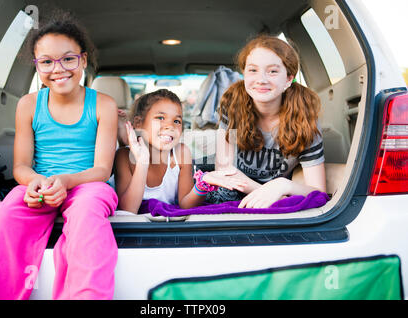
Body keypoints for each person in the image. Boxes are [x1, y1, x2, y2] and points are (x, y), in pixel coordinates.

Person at [0, 13, 119, 300]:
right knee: (4, 218)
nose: (58, 69)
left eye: (68, 59)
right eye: (47, 61)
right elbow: (21, 166)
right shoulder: (28, 105)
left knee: (87, 215)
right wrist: (37, 182)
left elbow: (102, 169)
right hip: (39, 184)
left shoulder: (103, 104)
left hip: (87, 184)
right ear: (37, 66)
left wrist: (65, 180)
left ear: (83, 61)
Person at [208, 34, 326, 208]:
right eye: (253, 70)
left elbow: (318, 192)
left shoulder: (305, 120)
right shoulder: (232, 105)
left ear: (288, 78)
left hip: (275, 194)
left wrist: (282, 185)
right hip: (234, 191)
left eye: (272, 71)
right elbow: (224, 172)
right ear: (244, 74)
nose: (261, 80)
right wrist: (262, 190)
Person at [114, 89, 246, 214]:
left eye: (177, 121)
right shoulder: (123, 156)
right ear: (138, 123)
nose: (170, 126)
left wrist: (203, 184)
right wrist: (142, 163)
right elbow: (128, 210)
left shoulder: (181, 153)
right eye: (160, 118)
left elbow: (186, 204)